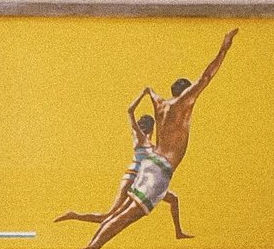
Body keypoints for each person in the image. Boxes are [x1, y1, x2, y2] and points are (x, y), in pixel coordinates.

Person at [75, 28, 238, 249]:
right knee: (128, 216)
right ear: (185, 93)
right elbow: (206, 76)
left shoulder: (160, 104)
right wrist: (224, 47)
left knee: (123, 212)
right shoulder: (182, 103)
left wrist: (148, 92)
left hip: (151, 165)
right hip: (160, 170)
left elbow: (151, 92)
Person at [54, 97, 193, 240]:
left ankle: (178, 232)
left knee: (173, 199)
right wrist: (143, 95)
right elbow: (130, 111)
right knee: (109, 216)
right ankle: (75, 215)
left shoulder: (152, 143)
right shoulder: (139, 137)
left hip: (146, 183)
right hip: (133, 178)